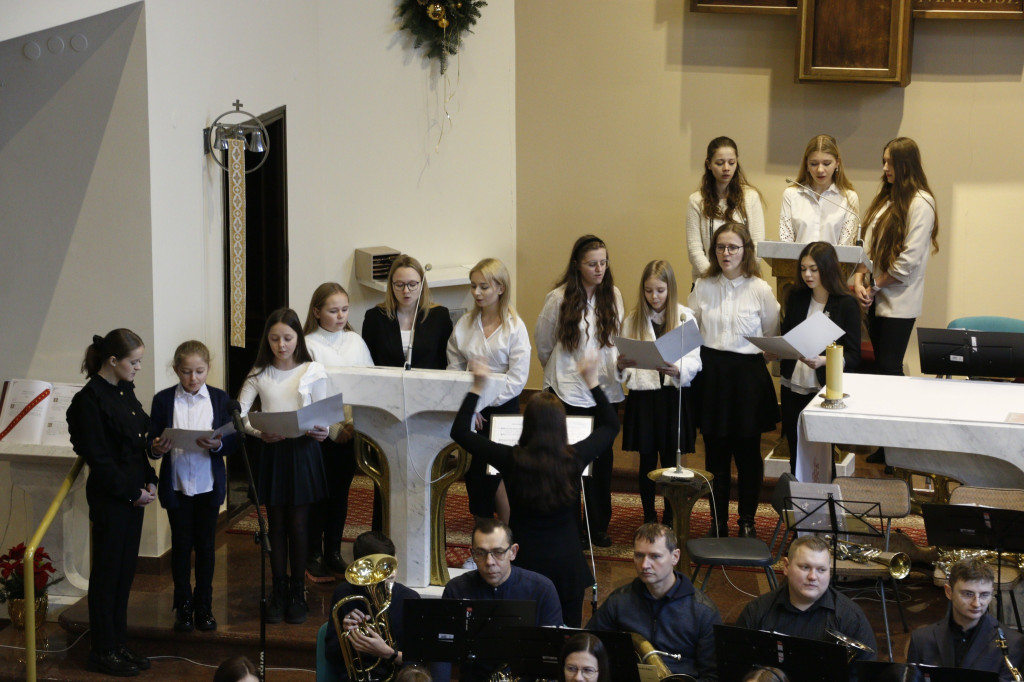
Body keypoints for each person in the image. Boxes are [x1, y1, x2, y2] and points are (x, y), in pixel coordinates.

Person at [450, 354, 618, 628]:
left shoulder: (511, 458)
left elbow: (460, 431)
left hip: (524, 563)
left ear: (527, 424)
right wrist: (592, 381)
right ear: (560, 425)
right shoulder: (574, 458)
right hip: (567, 566)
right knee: (565, 637)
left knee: (523, 634)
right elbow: (611, 425)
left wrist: (477, 387)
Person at [67, 329, 158, 677]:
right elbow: (100, 459)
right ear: (113, 360)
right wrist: (132, 492)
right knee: (107, 577)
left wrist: (150, 477)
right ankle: (102, 650)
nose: (137, 368)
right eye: (134, 362)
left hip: (134, 496)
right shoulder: (89, 401)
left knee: (124, 575)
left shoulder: (123, 390)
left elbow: (135, 444)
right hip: (113, 500)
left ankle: (117, 643)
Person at [238, 308, 331, 625]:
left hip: (303, 451)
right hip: (274, 451)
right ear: (267, 339)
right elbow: (239, 413)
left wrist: (323, 431)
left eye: (288, 338)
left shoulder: (312, 368)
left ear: (298, 338)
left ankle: (297, 589)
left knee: (300, 525)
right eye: (275, 338)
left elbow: (323, 415)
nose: (281, 344)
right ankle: (278, 589)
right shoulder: (259, 372)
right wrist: (257, 432)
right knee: (276, 524)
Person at [688, 223, 780, 538]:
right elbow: (689, 331)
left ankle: (747, 521)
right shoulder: (703, 286)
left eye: (733, 247)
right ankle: (718, 522)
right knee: (715, 455)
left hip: (747, 377)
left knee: (748, 456)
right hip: (712, 374)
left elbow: (770, 332)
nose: (726, 254)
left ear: (745, 251)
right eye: (720, 248)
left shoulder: (760, 288)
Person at [534, 234, 623, 548]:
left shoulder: (613, 295)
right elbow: (544, 344)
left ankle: (597, 526)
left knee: (602, 463)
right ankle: (570, 524)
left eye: (603, 262)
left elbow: (616, 340)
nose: (599, 269)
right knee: (570, 463)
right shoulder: (558, 298)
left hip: (603, 390)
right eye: (592, 264)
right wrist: (561, 374)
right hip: (568, 390)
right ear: (577, 265)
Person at [149, 340, 236, 633]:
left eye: (199, 371)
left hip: (208, 485)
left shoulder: (220, 399)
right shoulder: (163, 400)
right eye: (186, 372)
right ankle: (183, 605)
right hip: (177, 486)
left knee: (207, 547)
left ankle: (204, 605)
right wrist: (158, 447)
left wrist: (218, 444)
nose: (193, 378)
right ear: (176, 370)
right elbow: (152, 443)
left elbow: (232, 440)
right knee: (182, 546)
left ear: (208, 368)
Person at [446, 257, 530, 528]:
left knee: (499, 476)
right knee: (476, 477)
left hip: (502, 408)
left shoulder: (514, 327)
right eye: (473, 286)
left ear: (501, 288)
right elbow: (454, 366)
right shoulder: (465, 324)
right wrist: (471, 404)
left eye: (484, 287)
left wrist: (482, 402)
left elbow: (517, 380)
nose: (477, 293)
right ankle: (481, 537)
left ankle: (508, 539)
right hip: (472, 407)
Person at [617, 260, 702, 525]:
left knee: (669, 459)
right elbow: (623, 358)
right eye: (649, 290)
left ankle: (669, 516)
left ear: (670, 289)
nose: (654, 296)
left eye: (660, 290)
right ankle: (648, 515)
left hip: (672, 397)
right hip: (644, 398)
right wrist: (620, 365)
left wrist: (679, 370)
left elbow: (696, 360)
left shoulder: (685, 316)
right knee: (646, 459)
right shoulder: (633, 319)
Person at [303, 282, 374, 581]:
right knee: (318, 496)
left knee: (340, 494)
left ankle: (333, 550)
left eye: (345, 309)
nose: (341, 316)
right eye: (333, 311)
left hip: (351, 428)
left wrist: (356, 424)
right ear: (317, 312)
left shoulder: (355, 341)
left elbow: (369, 382)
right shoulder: (308, 343)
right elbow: (306, 393)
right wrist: (331, 429)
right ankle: (312, 554)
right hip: (319, 431)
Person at [587, 523, 721, 681]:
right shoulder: (619, 600)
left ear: (675, 557)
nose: (644, 565)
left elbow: (713, 676)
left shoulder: (703, 611)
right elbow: (589, 648)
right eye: (639, 555)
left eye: (655, 556)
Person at [434, 519, 562, 681]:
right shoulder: (457, 589)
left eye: (498, 552)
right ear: (472, 554)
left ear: (513, 552)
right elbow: (441, 651)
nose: (489, 562)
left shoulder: (542, 589)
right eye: (480, 553)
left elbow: (550, 655)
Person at [853, 137, 939, 377]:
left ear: (906, 164)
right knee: (881, 367)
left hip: (900, 300)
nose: (884, 168)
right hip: (876, 297)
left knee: (890, 365)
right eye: (883, 161)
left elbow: (909, 259)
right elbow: (866, 246)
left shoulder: (922, 201)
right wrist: (860, 281)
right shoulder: (886, 199)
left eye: (890, 162)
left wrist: (875, 287)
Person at [780, 242, 860, 476]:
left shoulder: (846, 304)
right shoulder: (796, 297)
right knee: (795, 447)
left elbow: (854, 354)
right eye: (803, 268)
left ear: (827, 268)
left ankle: (826, 507)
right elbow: (788, 336)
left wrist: (824, 360)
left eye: (813, 269)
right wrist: (778, 349)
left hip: (824, 387)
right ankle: (795, 506)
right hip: (793, 383)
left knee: (824, 452)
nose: (807, 274)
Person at [736, 535, 877, 661]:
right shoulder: (757, 611)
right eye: (805, 567)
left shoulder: (850, 617)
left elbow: (868, 674)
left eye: (821, 570)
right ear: (786, 566)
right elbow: (736, 665)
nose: (813, 577)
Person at [907, 557, 1024, 680]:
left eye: (984, 595)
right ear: (948, 592)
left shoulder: (1013, 643)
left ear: (991, 593)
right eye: (968, 594)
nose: (977, 603)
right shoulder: (921, 639)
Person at [324, 531, 421, 678]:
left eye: (391, 564)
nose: (391, 574)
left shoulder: (410, 599)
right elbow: (331, 656)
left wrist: (388, 652)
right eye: (381, 568)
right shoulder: (344, 595)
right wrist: (346, 635)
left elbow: (419, 663)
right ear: (361, 569)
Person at [686, 136, 765, 282]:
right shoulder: (696, 201)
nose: (726, 168)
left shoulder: (751, 197)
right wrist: (715, 278)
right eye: (720, 163)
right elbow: (695, 250)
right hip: (707, 281)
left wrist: (738, 277)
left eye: (731, 162)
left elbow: (757, 244)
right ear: (709, 164)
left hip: (744, 280)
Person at [362, 254, 453, 370]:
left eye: (412, 284)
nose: (406, 291)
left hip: (428, 385)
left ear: (422, 285)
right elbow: (368, 363)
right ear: (391, 285)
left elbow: (445, 361)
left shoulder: (440, 316)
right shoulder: (374, 317)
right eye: (399, 285)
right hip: (387, 385)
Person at [779, 134, 859, 246]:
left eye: (826, 163)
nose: (820, 170)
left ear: (837, 163)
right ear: (806, 164)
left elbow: (846, 247)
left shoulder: (849, 197)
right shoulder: (791, 194)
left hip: (834, 263)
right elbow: (785, 243)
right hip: (799, 263)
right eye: (814, 164)